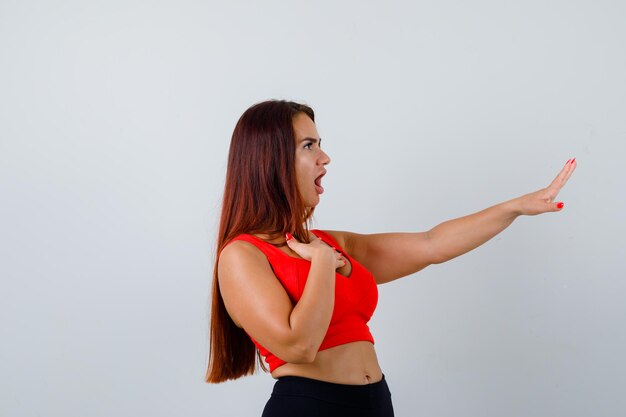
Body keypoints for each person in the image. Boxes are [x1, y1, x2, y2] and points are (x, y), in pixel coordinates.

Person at [205, 100, 577, 417]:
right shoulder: (242, 256)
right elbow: (299, 346)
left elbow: (432, 244)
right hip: (310, 406)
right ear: (271, 161)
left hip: (375, 402)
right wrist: (320, 264)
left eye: (320, 144)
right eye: (308, 146)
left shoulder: (329, 243)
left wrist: (515, 207)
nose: (325, 157)